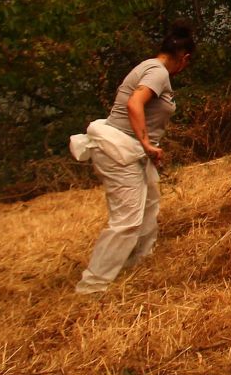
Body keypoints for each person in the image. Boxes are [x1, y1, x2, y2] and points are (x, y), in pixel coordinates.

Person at [70, 24, 196, 296]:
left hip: (132, 150)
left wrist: (149, 149)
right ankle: (92, 287)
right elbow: (134, 103)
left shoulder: (150, 67)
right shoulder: (158, 71)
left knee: (150, 204)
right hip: (120, 150)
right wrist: (147, 143)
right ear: (184, 57)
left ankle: (137, 263)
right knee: (127, 220)